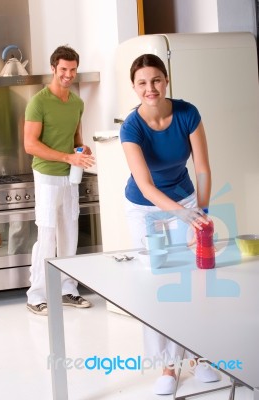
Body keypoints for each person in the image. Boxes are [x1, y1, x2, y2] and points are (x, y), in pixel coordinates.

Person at [120, 54, 219, 395]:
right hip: (144, 207)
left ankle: (198, 357)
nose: (151, 88)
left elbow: (202, 167)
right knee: (158, 283)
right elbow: (146, 185)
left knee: (191, 280)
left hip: (185, 200)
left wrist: (201, 212)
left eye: (156, 80)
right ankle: (168, 365)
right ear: (134, 87)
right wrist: (182, 214)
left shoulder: (188, 113)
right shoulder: (131, 127)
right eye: (143, 83)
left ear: (166, 80)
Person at [24, 45, 95, 316]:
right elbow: (30, 145)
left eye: (73, 69)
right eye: (63, 69)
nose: (68, 74)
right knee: (47, 234)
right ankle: (37, 294)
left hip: (70, 176)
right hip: (46, 176)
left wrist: (82, 150)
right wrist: (67, 158)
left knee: (69, 232)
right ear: (53, 68)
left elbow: (76, 140)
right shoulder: (38, 102)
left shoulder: (77, 103)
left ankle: (68, 290)